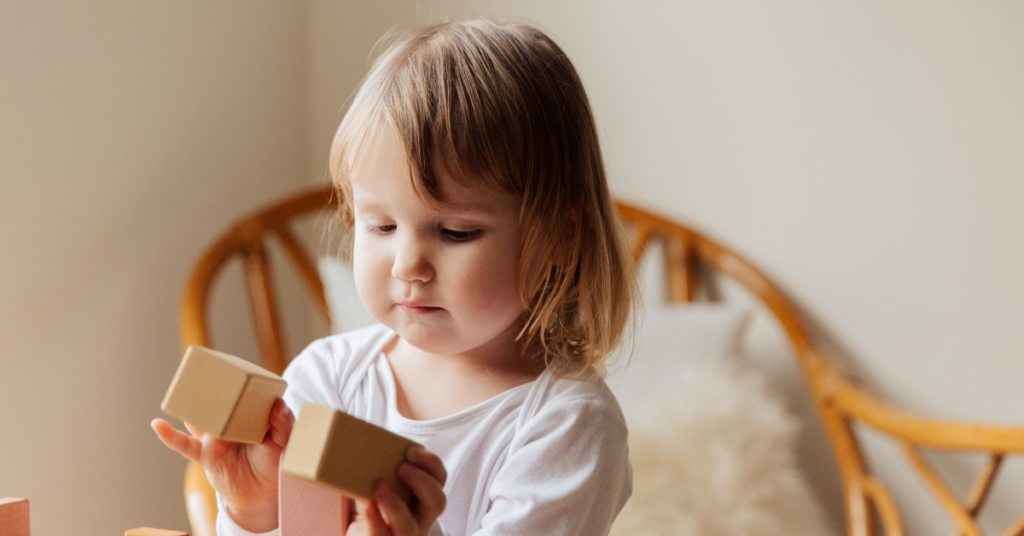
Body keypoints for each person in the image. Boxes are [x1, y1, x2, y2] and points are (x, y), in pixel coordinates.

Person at [152, 18, 635, 536]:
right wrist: (254, 512)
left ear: (558, 236)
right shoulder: (328, 378)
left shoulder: (568, 427)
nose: (408, 265)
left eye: (455, 232)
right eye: (381, 224)